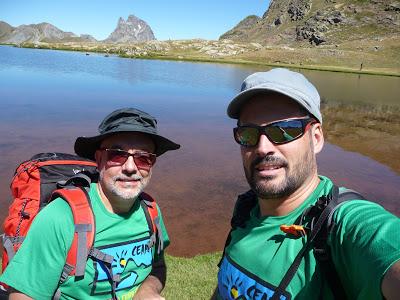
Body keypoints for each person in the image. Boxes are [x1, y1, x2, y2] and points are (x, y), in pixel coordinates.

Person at [214, 68, 400, 299]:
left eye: (284, 130)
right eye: (248, 134)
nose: (262, 147)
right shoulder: (246, 207)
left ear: (316, 138)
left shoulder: (343, 225)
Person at [0, 108, 180, 299]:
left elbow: (157, 266)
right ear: (99, 159)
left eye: (143, 158)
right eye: (117, 155)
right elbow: (24, 296)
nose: (130, 168)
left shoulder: (150, 211)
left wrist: (147, 291)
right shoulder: (61, 217)